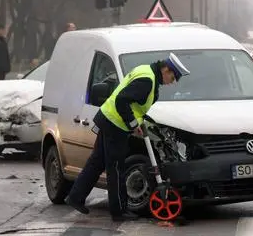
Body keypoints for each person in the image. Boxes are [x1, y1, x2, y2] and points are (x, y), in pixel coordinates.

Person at [65, 53, 190, 222]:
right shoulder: (147, 81)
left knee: (97, 161)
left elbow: (132, 103)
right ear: (166, 70)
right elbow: (122, 101)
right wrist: (132, 123)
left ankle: (75, 197)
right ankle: (119, 211)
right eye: (173, 77)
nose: (172, 82)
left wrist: (139, 121)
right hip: (115, 124)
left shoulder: (146, 71)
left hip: (108, 118)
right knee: (116, 168)